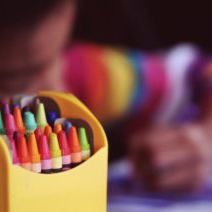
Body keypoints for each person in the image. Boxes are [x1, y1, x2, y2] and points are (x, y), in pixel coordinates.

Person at [0, 0, 212, 192]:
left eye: (63, 49)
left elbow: (195, 72)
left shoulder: (79, 75)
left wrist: (206, 136)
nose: (57, 87)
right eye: (15, 79)